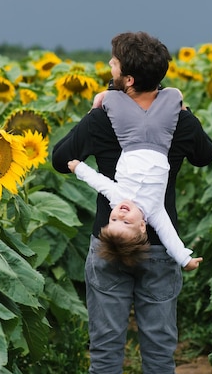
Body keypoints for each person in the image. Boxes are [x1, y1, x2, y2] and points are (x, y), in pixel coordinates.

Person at [52, 31, 212, 374]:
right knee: (159, 354)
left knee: (106, 353)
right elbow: (206, 155)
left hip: (108, 243)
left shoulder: (104, 117)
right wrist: (183, 112)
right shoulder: (176, 119)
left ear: (126, 79)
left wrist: (91, 116)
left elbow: (59, 158)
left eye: (113, 63)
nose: (108, 66)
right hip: (162, 248)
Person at [67, 85, 203, 271]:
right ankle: (172, 97)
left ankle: (105, 98)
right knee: (172, 95)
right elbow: (169, 236)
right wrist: (185, 260)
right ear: (142, 226)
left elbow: (99, 182)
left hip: (131, 141)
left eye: (113, 220)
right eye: (126, 222)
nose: (120, 215)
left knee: (112, 98)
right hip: (160, 142)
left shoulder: (117, 197)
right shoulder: (155, 211)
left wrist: (79, 168)